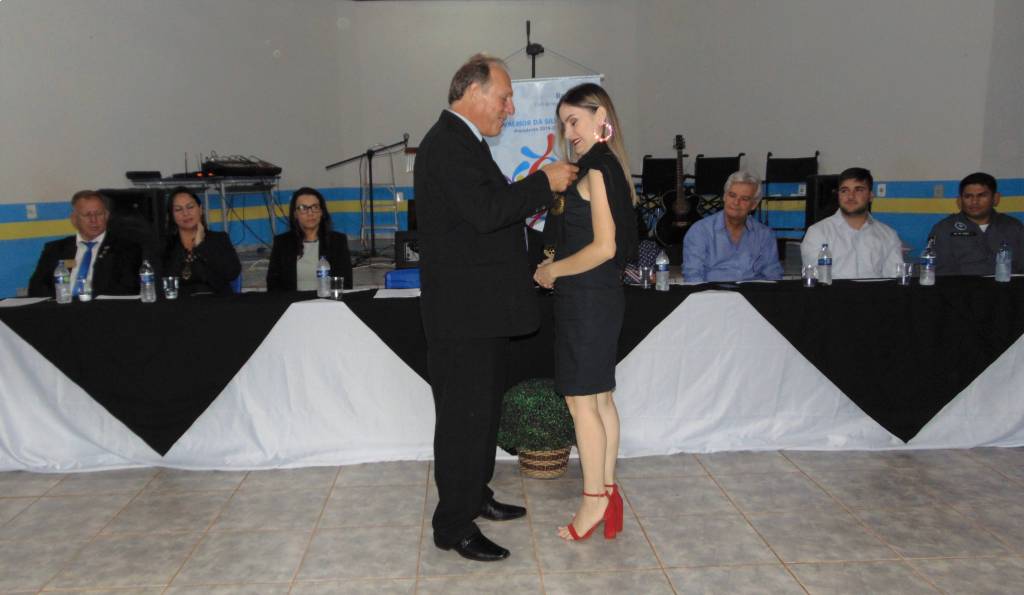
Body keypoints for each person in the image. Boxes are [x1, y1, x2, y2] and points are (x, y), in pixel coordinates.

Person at [415, 53, 578, 562]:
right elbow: (487, 213)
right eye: (505, 98)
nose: (510, 109)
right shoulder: (448, 144)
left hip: (479, 311)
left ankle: (474, 494)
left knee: (481, 414)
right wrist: (544, 182)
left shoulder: (465, 142)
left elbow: (483, 223)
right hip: (463, 316)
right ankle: (453, 524)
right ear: (473, 92)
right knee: (463, 420)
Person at [533, 83, 636, 542]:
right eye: (564, 123)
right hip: (598, 298)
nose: (568, 131)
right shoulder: (608, 165)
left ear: (601, 117)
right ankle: (608, 494)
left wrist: (552, 270)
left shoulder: (596, 168)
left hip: (587, 299)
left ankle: (594, 499)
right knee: (600, 399)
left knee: (582, 403)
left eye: (574, 120)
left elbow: (604, 248)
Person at [28, 190, 141, 297]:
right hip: (62, 306)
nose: (94, 220)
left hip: (101, 307)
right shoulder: (55, 249)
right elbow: (36, 289)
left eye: (99, 214)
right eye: (87, 215)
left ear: (106, 216)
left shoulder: (126, 248)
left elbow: (128, 288)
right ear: (74, 219)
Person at [800, 167, 904, 278]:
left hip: (874, 290)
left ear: (870, 196)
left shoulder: (888, 235)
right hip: (832, 290)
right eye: (844, 191)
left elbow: (894, 280)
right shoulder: (817, 233)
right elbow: (815, 280)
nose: (850, 196)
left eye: (858, 190)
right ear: (838, 195)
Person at [682, 171, 783, 282]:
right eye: (732, 195)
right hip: (712, 291)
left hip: (752, 291)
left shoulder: (765, 235)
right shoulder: (700, 232)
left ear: (754, 205)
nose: (736, 202)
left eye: (744, 199)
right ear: (725, 196)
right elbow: (693, 277)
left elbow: (773, 276)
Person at [930, 172, 1024, 276]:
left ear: (995, 198)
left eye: (982, 196)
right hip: (962, 286)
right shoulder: (944, 229)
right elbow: (941, 273)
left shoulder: (1014, 227)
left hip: (1009, 285)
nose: (974, 202)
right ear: (959, 201)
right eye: (968, 196)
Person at [266, 187, 352, 291]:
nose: (310, 213)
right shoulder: (282, 243)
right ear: (295, 214)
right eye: (303, 208)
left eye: (315, 207)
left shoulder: (338, 241)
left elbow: (345, 284)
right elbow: (273, 285)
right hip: (292, 300)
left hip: (327, 300)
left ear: (321, 212)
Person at [161, 188, 241, 295]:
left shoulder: (219, 239)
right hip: (180, 303)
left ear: (200, 209)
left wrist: (201, 246)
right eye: (178, 209)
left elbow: (232, 273)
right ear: (171, 216)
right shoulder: (166, 245)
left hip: (217, 302)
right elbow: (164, 280)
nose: (185, 213)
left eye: (190, 207)